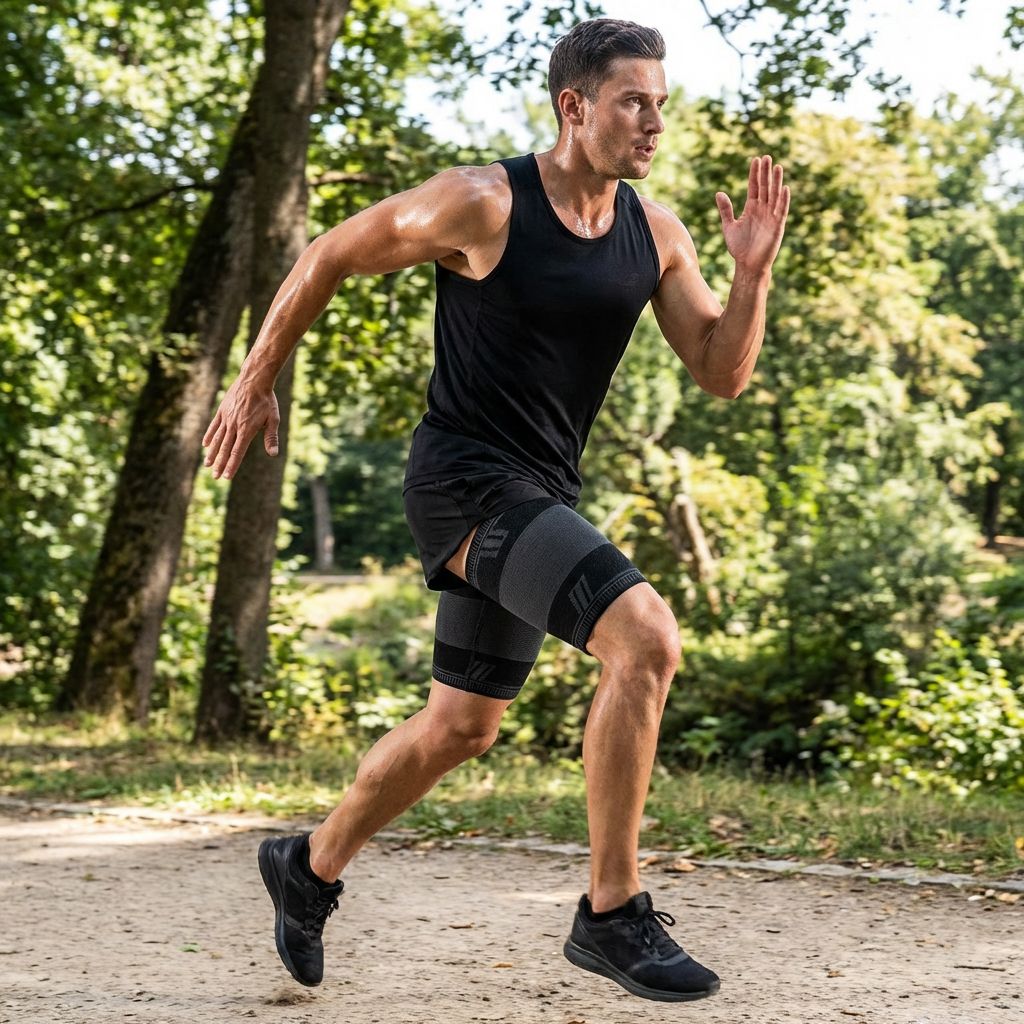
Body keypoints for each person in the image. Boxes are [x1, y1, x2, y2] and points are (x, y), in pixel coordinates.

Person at [202, 16, 789, 1004]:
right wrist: (255, 377)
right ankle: (610, 913)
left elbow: (721, 372)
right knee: (643, 638)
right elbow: (329, 254)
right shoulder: (482, 202)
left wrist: (753, 273)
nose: (652, 122)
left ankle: (308, 864)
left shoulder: (655, 232)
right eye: (631, 101)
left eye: (659, 102)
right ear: (574, 106)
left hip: (539, 493)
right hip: (463, 485)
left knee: (461, 727)